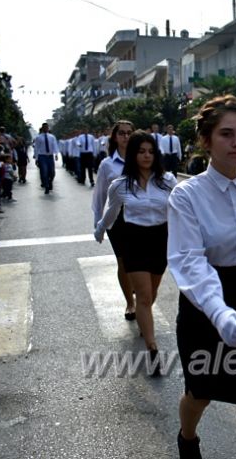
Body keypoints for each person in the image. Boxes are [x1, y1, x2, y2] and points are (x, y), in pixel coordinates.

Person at [168, 95, 236, 459]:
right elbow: (189, 261)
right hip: (204, 304)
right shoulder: (187, 195)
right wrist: (219, 311)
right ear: (206, 140)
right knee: (201, 393)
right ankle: (187, 436)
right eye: (227, 134)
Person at [94, 131, 176, 374]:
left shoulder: (168, 181)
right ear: (133, 154)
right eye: (141, 151)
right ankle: (152, 348)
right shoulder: (120, 185)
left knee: (151, 295)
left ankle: (144, 321)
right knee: (142, 295)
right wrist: (100, 229)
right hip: (134, 240)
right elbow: (112, 211)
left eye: (151, 151)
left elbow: (182, 210)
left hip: (161, 238)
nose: (147, 156)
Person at [92, 120, 137, 320]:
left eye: (129, 133)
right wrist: (98, 222)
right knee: (123, 262)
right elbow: (100, 195)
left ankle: (139, 291)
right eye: (122, 133)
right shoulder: (107, 164)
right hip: (116, 219)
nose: (126, 137)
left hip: (142, 217)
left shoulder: (143, 158)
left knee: (141, 261)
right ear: (115, 137)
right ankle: (130, 303)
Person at [32, 123, 59, 194]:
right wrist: (36, 158)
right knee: (44, 171)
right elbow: (36, 148)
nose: (46, 129)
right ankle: (46, 186)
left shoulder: (52, 137)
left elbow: (55, 145)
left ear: (48, 128)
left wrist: (56, 154)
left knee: (52, 172)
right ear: (42, 128)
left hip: (50, 156)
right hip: (42, 156)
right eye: (44, 127)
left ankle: (50, 182)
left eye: (47, 127)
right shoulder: (38, 137)